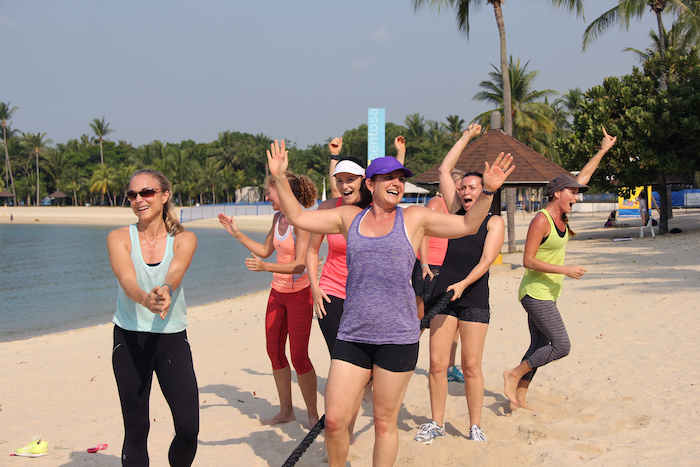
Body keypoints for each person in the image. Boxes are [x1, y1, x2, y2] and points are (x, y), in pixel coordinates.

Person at [266, 139, 513, 467]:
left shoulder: (414, 219)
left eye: (401, 177)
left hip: (398, 338)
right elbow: (297, 216)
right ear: (371, 184)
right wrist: (281, 178)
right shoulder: (347, 217)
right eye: (389, 177)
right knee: (337, 421)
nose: (397, 182)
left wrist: (489, 192)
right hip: (353, 335)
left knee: (384, 423)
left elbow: (468, 224)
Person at [503, 128, 617, 411]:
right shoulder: (541, 221)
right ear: (556, 193)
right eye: (573, 193)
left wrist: (603, 150)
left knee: (539, 347)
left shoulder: (562, 215)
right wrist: (564, 270)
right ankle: (513, 374)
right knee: (561, 346)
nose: (577, 197)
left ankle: (519, 400)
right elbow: (527, 260)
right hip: (535, 293)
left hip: (548, 293)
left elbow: (585, 176)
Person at [414, 123, 505, 444]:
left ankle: (475, 425)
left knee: (470, 366)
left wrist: (464, 284)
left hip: (474, 296)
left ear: (485, 192)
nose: (466, 192)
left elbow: (485, 262)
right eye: (463, 187)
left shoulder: (495, 221)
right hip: (443, 295)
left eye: (472, 188)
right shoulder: (454, 213)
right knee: (437, 364)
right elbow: (444, 169)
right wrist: (466, 137)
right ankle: (436, 423)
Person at [107, 169, 199, 467]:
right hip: (130, 338)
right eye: (132, 194)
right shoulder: (118, 237)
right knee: (136, 429)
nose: (139, 199)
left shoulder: (185, 238)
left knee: (188, 428)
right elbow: (126, 279)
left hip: (171, 337)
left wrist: (167, 289)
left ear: (164, 195)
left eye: (146, 192)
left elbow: (177, 269)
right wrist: (145, 298)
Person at [218, 171, 320, 428]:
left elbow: (299, 266)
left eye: (270, 190)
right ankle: (286, 410)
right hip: (278, 294)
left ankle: (312, 413)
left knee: (299, 356)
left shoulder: (302, 221)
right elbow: (265, 250)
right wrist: (237, 233)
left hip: (299, 295)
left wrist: (266, 268)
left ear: (284, 191)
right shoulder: (277, 219)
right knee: (274, 351)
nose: (266, 195)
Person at [412, 169, 465, 384]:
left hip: (449, 268)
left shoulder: (460, 208)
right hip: (429, 266)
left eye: (462, 188)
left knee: (454, 321)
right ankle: (403, 357)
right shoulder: (435, 203)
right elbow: (423, 236)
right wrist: (424, 264)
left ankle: (450, 367)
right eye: (458, 187)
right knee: (421, 319)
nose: (461, 191)